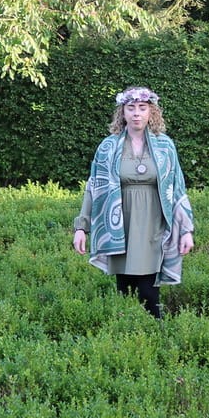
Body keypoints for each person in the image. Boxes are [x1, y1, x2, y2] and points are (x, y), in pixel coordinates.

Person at [72, 86, 195, 316]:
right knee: (125, 287)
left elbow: (177, 188)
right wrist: (82, 227)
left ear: (151, 112)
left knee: (149, 289)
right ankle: (127, 335)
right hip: (120, 224)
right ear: (123, 113)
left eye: (142, 108)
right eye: (131, 108)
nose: (136, 113)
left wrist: (186, 230)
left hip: (153, 224)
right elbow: (93, 188)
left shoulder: (165, 146)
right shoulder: (108, 147)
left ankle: (155, 336)